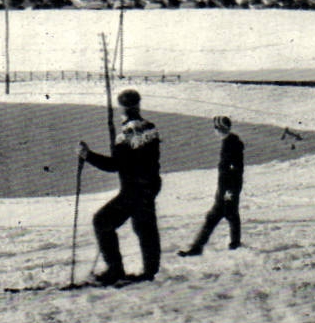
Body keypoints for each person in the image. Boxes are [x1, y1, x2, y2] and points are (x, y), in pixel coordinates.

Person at [80, 89, 164, 287]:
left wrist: (87, 155)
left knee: (102, 221)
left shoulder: (126, 134)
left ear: (122, 109)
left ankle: (115, 270)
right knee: (144, 227)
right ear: (138, 105)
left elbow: (115, 165)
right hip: (150, 186)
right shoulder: (150, 128)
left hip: (133, 190)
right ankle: (150, 271)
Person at [179, 116, 243, 256]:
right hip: (228, 190)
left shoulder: (230, 144)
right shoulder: (230, 142)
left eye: (216, 128)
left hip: (227, 190)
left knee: (213, 218)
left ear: (221, 129)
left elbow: (234, 170)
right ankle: (235, 244)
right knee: (231, 216)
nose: (215, 130)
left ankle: (197, 248)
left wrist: (228, 192)